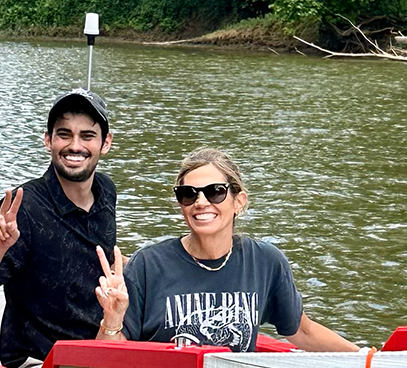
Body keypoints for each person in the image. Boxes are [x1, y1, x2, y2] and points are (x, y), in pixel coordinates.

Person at [93, 147, 358, 352]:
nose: (201, 202)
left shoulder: (265, 262)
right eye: (188, 194)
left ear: (238, 201)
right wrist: (113, 319)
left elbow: (302, 331)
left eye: (215, 192)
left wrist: (370, 358)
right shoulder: (147, 265)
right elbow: (108, 358)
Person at [0, 88, 122, 368]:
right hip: (38, 364)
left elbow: (93, 257)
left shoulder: (106, 190)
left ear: (105, 143)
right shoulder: (22, 209)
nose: (75, 145)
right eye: (64, 134)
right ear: (48, 140)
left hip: (97, 343)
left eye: (87, 136)